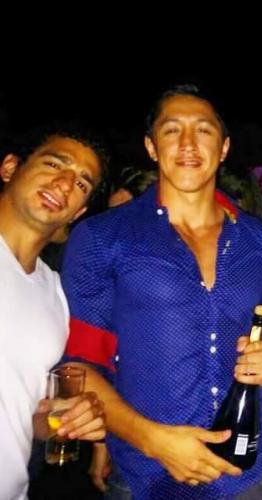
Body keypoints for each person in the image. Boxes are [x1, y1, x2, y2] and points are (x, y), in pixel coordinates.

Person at [61, 84, 262, 499]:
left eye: (204, 130)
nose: (188, 143)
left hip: (245, 473)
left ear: (224, 147)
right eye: (172, 130)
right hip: (146, 474)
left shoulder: (261, 241)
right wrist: (153, 440)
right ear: (151, 146)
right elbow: (80, 364)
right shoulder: (103, 237)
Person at [0, 124, 108, 500]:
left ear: (80, 211)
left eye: (81, 183)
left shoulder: (55, 294)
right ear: (10, 168)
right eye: (53, 164)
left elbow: (24, 417)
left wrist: (62, 420)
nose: (64, 184)